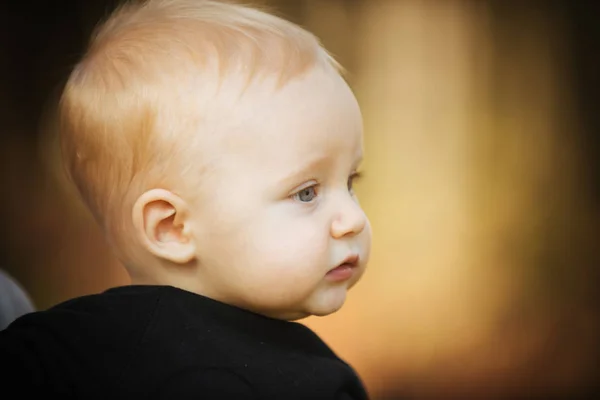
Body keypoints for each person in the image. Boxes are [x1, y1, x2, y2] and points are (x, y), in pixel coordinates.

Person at [0, 0, 372, 398]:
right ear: (171, 227)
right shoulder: (299, 383)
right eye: (306, 193)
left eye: (350, 182)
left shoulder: (41, 354)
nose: (352, 219)